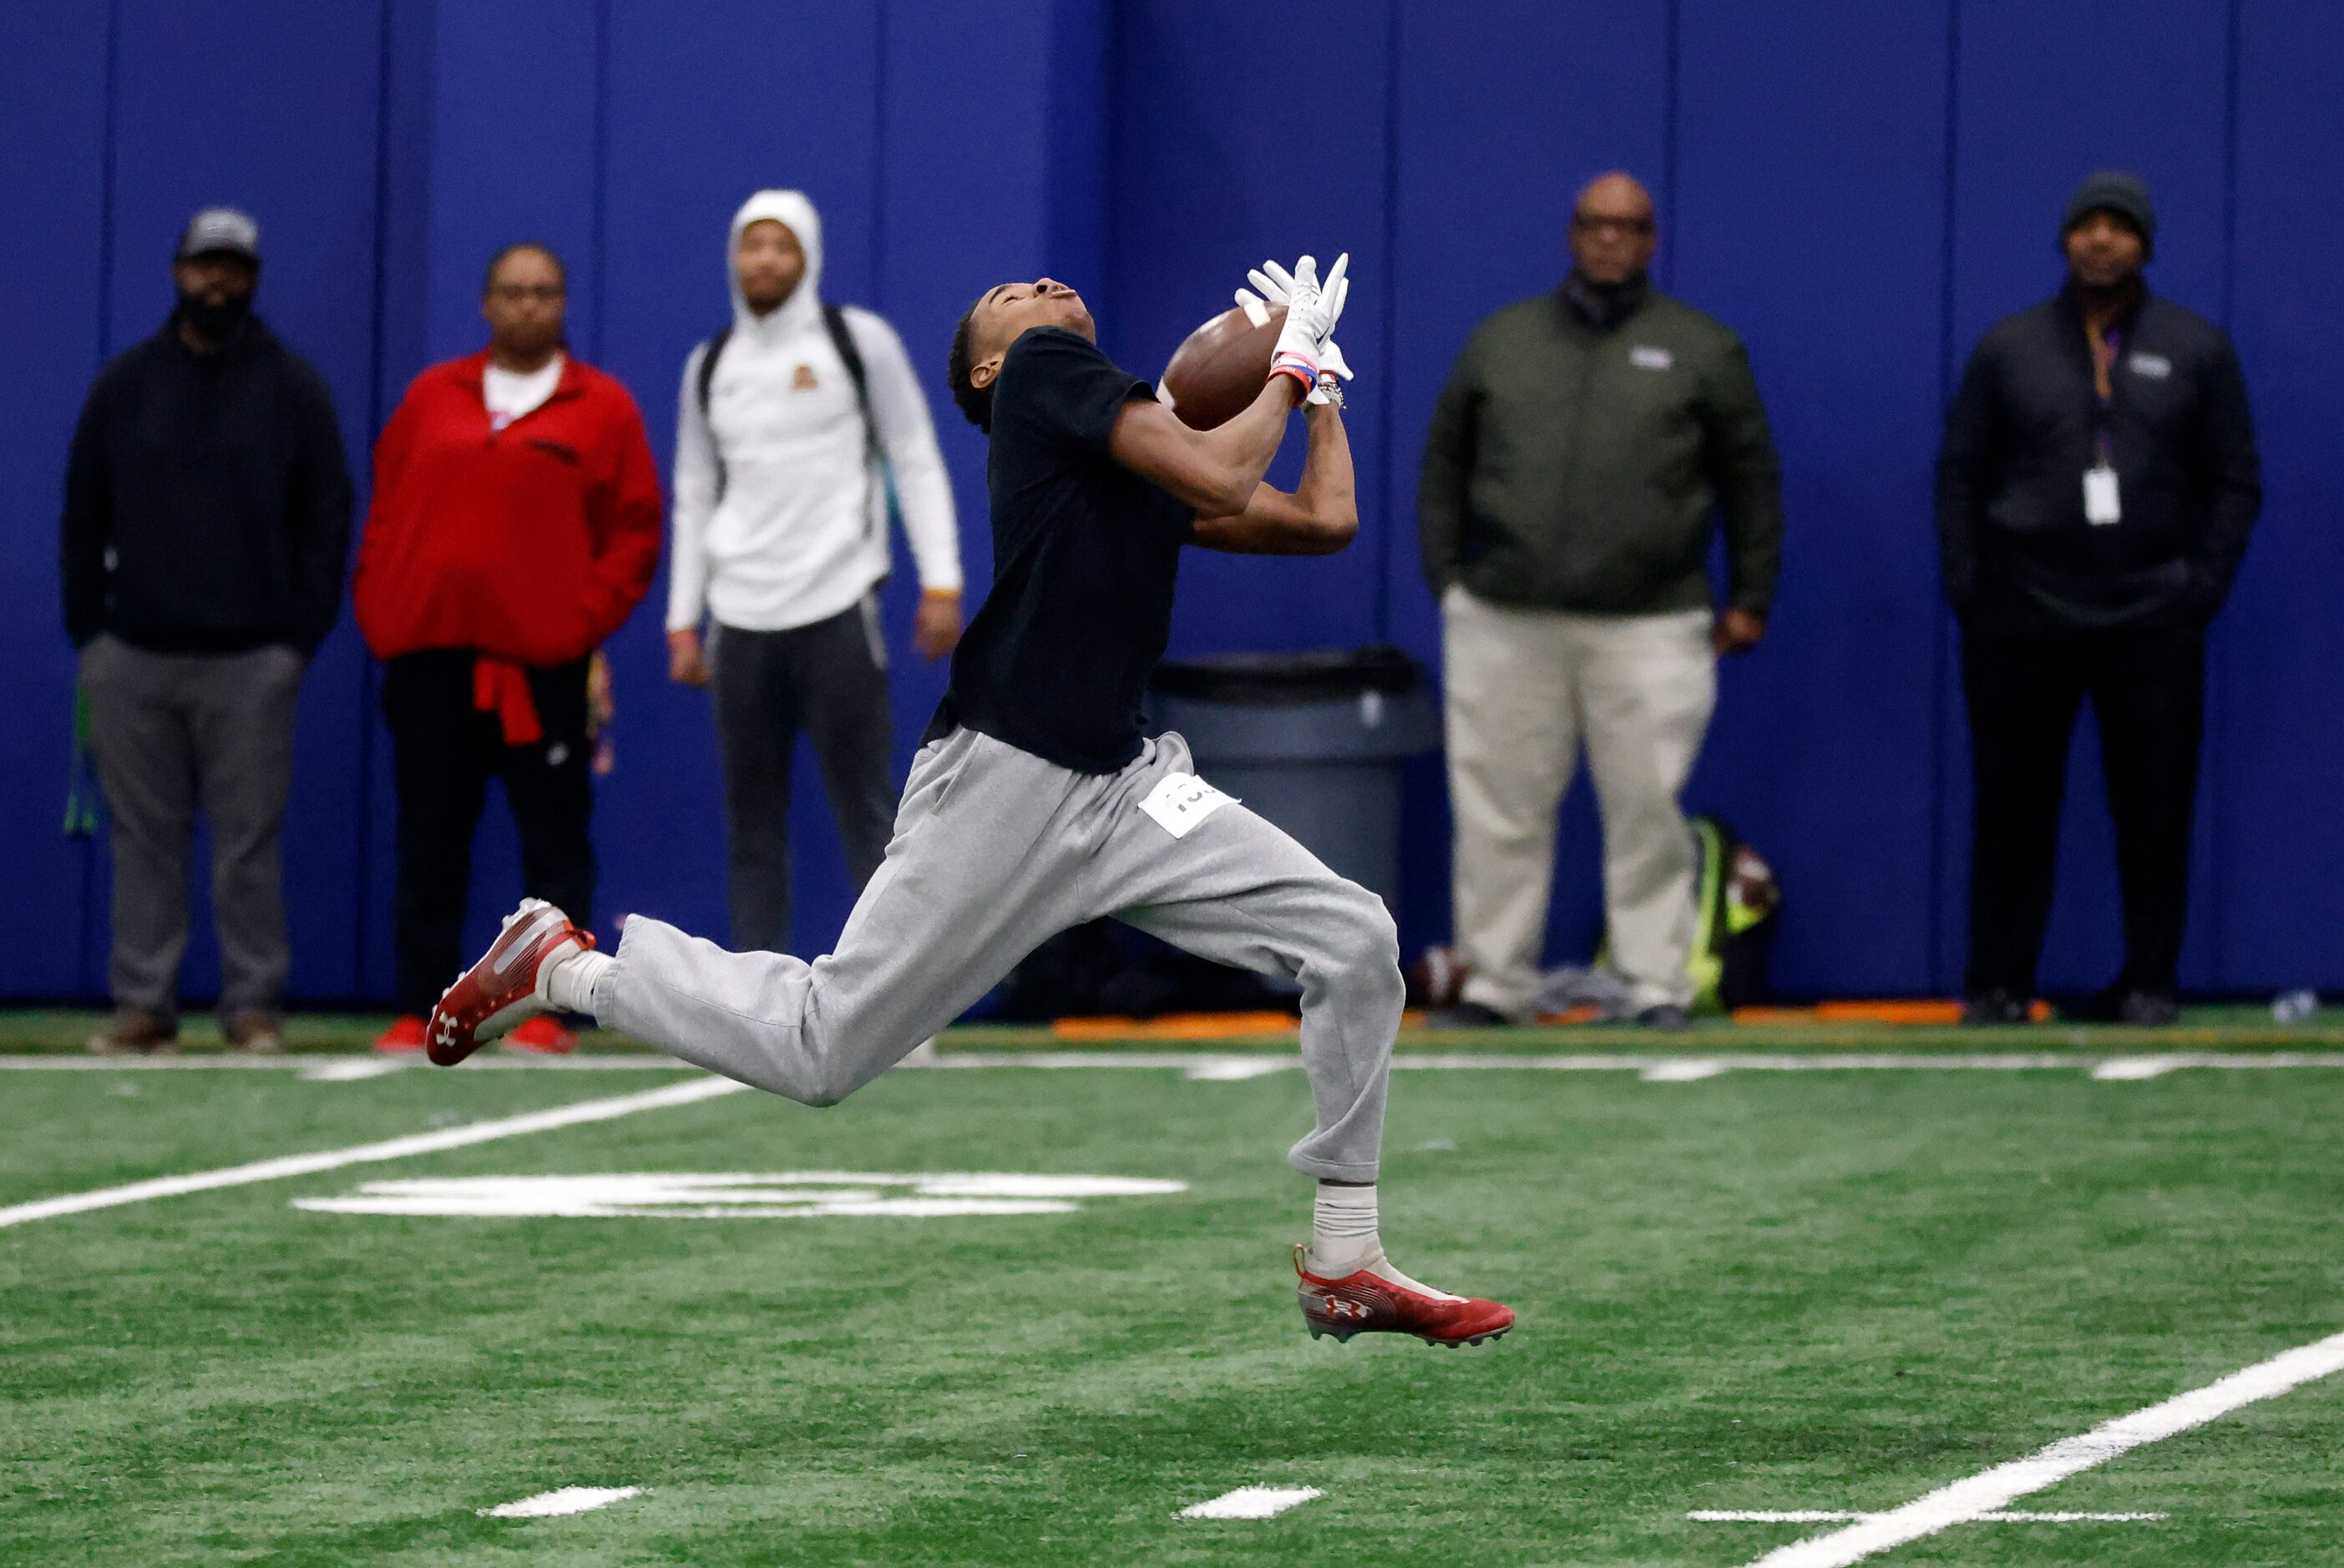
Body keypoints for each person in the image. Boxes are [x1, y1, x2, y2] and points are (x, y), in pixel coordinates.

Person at [423, 256, 1513, 1348]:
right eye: (1008, 296)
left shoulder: (1124, 438)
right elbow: (1226, 480)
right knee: (821, 1049)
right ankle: (562, 963)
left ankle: (1345, 1256)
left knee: (1354, 937)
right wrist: (1281, 365)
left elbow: (1322, 521)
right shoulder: (1042, 375)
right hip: (1008, 776)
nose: (1039, 284)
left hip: (1124, 786)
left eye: (1045, 284)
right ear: (991, 367)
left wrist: (1318, 388)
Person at [1419, 172, 1782, 1031]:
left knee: (1647, 808)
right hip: (1505, 616)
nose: (1607, 240)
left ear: (1650, 240)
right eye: (1592, 225)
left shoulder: (1702, 348)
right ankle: (1494, 984)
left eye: (1626, 227)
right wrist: (1450, 579)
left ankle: (1656, 986)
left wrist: (1752, 596)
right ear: (1570, 234)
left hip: (1654, 619)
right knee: (1496, 807)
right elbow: (1443, 465)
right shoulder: (1500, 342)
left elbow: (1750, 480)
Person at [1939, 171, 2259, 1027]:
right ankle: (1998, 983)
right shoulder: (2008, 347)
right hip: (2021, 612)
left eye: (2119, 228)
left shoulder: (2194, 347)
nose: (2100, 240)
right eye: (2086, 225)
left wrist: (2202, 586)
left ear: (2143, 245)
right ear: (2064, 240)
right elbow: (1959, 471)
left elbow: (2234, 480)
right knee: (2011, 805)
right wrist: (1969, 585)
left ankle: (2149, 981)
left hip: (2152, 615)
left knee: (2153, 809)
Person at [354, 242, 661, 1054]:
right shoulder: (431, 398)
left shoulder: (600, 406)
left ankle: (548, 1013)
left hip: (544, 666)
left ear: (563, 305)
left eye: (544, 293)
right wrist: (383, 607)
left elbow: (635, 532)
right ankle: (421, 1005)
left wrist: (576, 618)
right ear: (485, 304)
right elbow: (386, 506)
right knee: (429, 838)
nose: (528, 306)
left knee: (554, 841)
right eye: (513, 292)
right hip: (431, 660)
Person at [62, 207, 352, 1055]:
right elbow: (82, 510)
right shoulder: (125, 386)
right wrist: (93, 633)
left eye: (232, 268)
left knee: (246, 846)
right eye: (203, 266)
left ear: (252, 280)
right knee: (142, 842)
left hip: (252, 659)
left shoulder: (293, 388)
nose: (216, 281)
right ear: (178, 270)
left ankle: (252, 1004)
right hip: (133, 657)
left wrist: (297, 639)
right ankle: (144, 1004)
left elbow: (327, 514)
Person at [667, 190, 963, 953]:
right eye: (751, 246)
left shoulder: (855, 342)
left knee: (868, 813)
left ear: (807, 257)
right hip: (737, 621)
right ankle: (752, 1009)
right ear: (734, 258)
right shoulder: (710, 366)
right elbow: (694, 493)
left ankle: (893, 1000)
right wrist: (681, 618)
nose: (764, 260)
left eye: (780, 246)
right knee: (751, 826)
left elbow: (915, 455)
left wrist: (942, 581)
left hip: (837, 608)